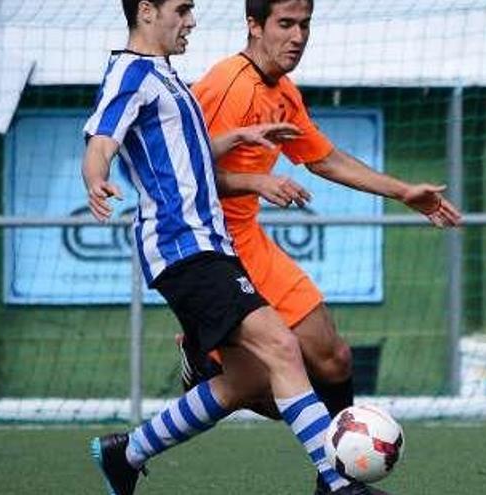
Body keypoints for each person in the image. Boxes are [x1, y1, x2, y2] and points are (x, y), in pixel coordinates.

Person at [83, 1, 385, 494]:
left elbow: (190, 156)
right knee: (283, 346)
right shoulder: (132, 73)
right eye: (181, 9)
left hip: (208, 244)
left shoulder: (165, 76)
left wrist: (243, 137)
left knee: (242, 382)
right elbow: (101, 138)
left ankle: (127, 453)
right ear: (146, 12)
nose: (191, 20)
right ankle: (338, 483)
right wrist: (95, 178)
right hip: (183, 248)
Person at [181, 0, 461, 448]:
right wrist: (257, 180)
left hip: (250, 239)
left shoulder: (283, 91)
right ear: (254, 25)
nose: (297, 37)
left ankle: (337, 476)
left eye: (304, 25)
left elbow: (324, 159)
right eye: (285, 24)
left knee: (335, 361)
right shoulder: (226, 85)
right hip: (212, 248)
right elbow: (183, 175)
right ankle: (205, 360)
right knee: (266, 385)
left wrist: (403, 191)